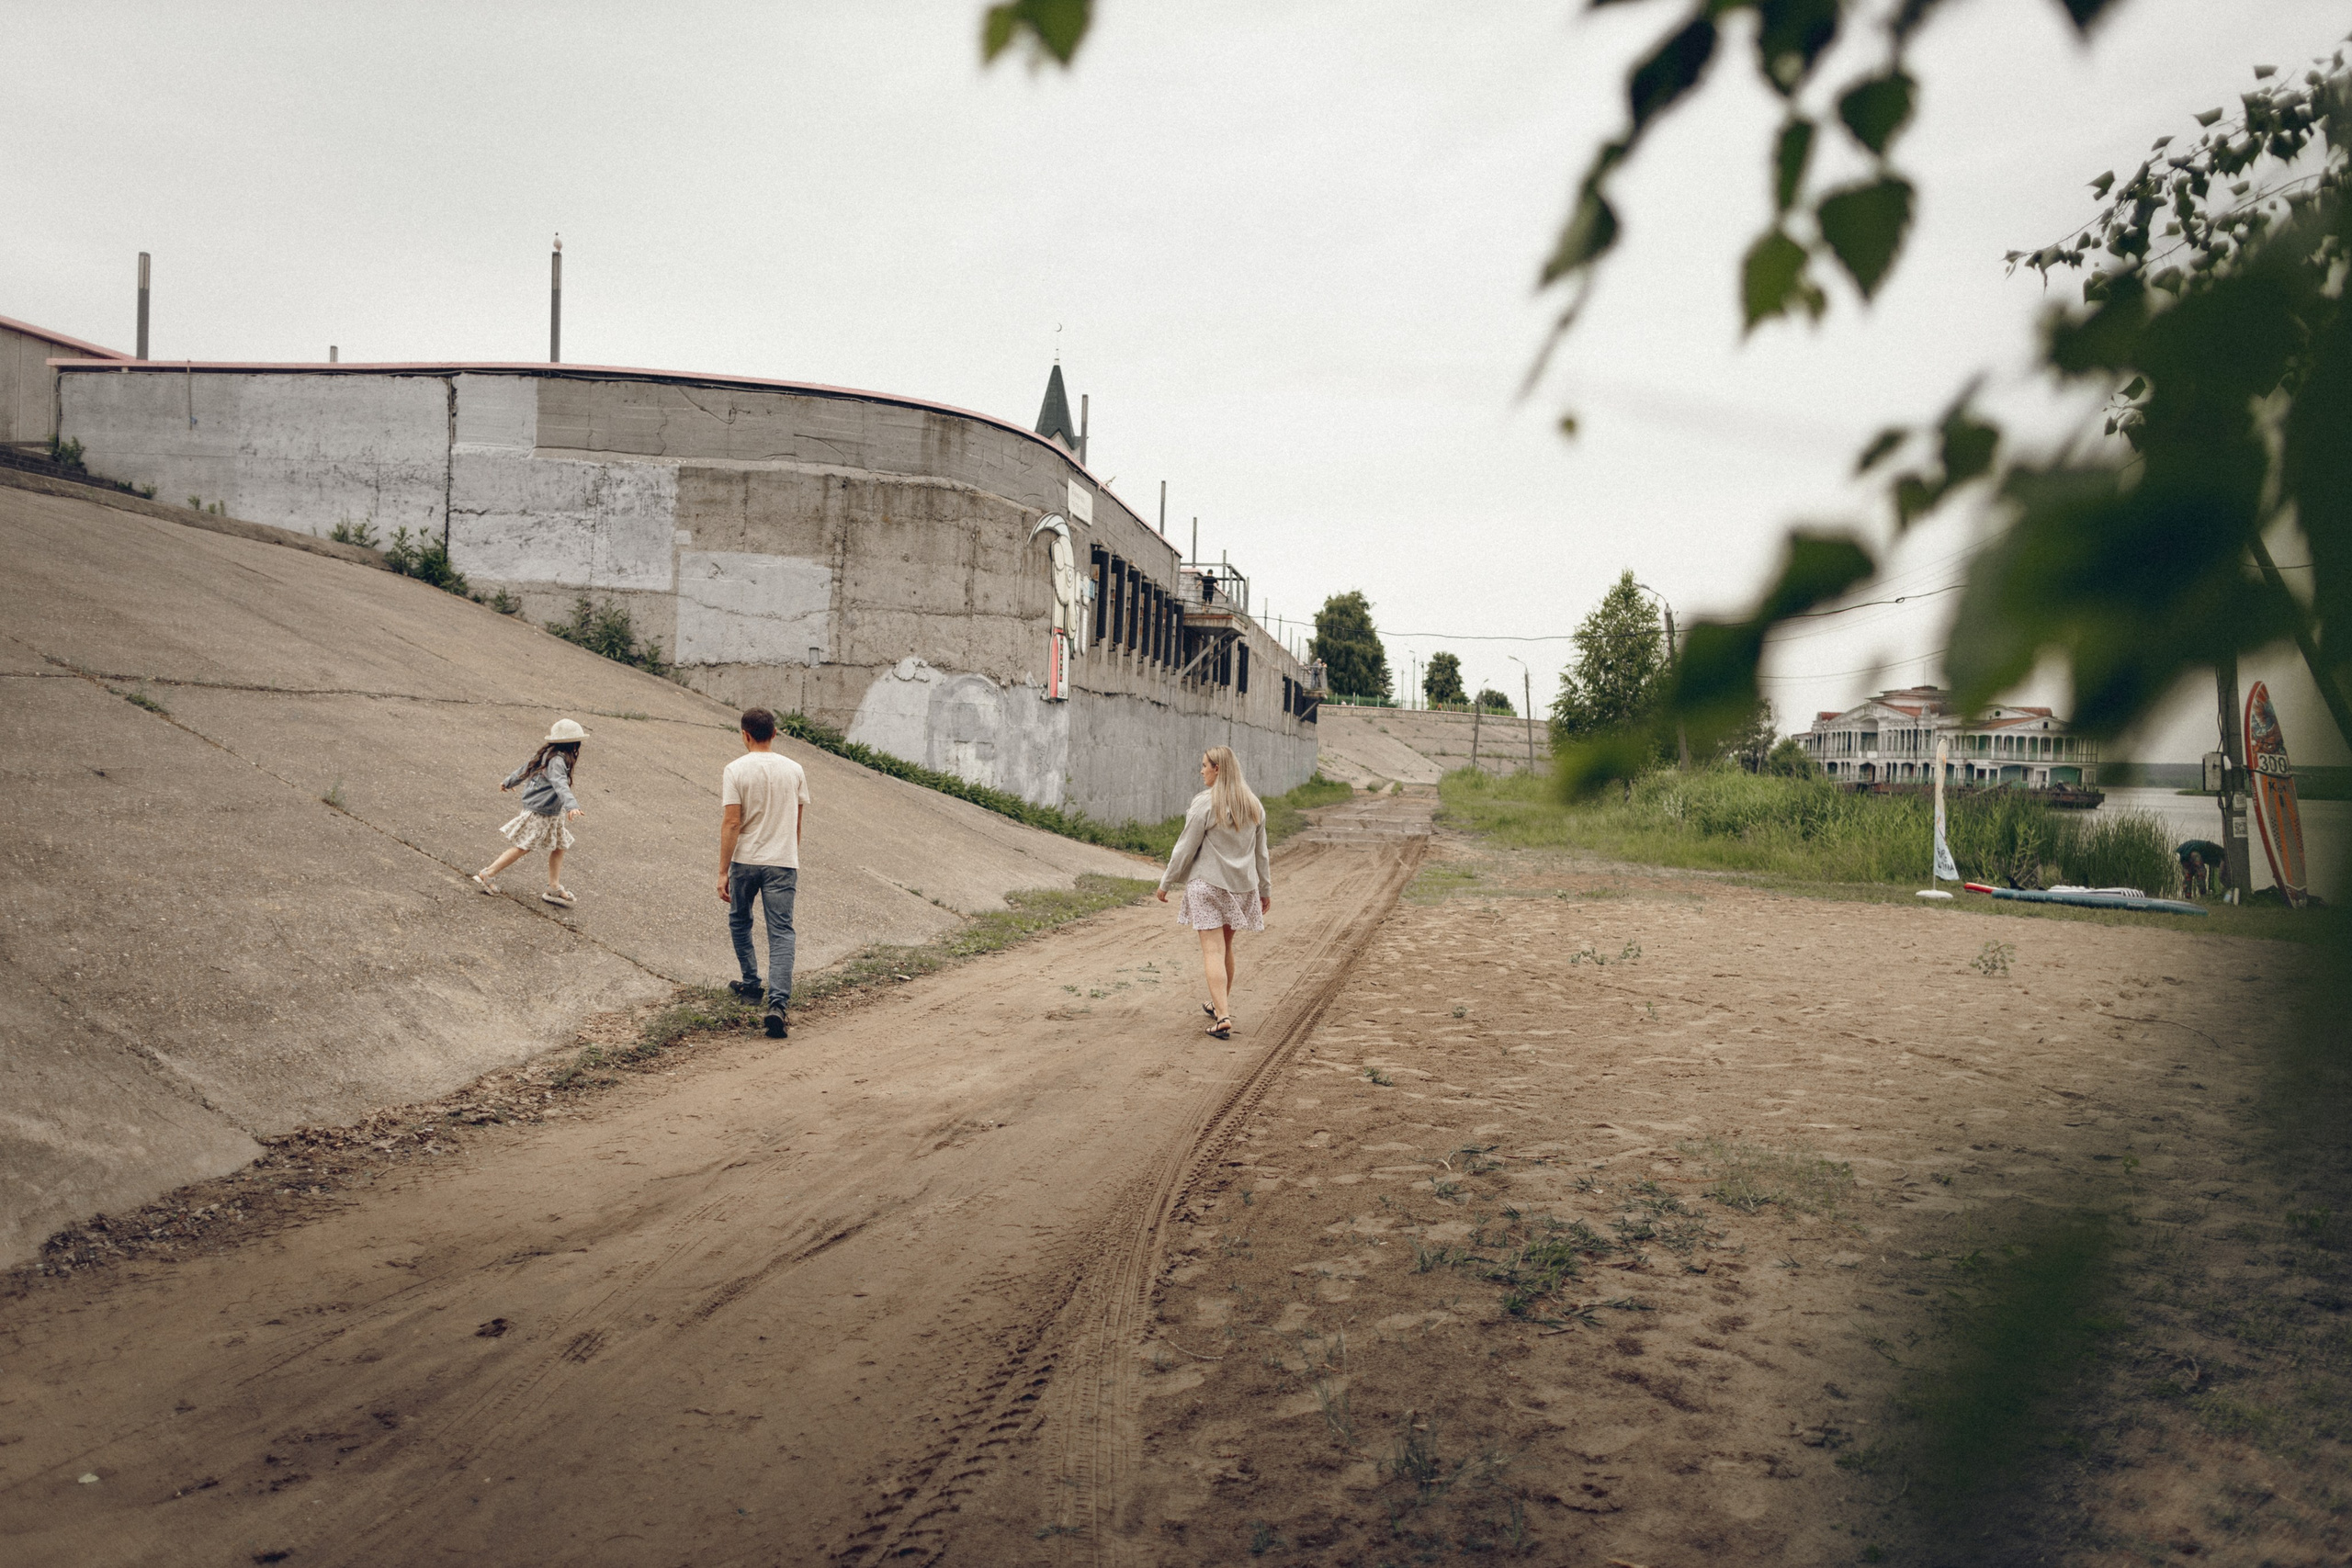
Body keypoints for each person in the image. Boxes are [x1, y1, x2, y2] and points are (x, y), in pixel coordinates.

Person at [1155, 745, 1272, 1040]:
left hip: (1207, 885)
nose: (1201, 770)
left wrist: (1166, 882)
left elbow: (1185, 847)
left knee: (1212, 950)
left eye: (1205, 765)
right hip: (1242, 888)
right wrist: (1265, 889)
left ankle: (1222, 1015)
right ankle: (1220, 1006)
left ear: (1217, 769)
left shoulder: (1205, 804)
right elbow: (1262, 854)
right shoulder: (1254, 805)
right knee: (1226, 949)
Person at [719, 707, 811, 1039]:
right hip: (783, 862)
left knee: (740, 920)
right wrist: (789, 854)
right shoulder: (795, 769)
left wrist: (722, 871)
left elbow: (731, 822)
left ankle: (751, 984)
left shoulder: (735, 769)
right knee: (782, 932)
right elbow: (797, 823)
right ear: (774, 733)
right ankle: (778, 1005)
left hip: (745, 860)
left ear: (744, 735)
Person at [473, 718, 589, 906]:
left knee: (560, 845)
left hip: (551, 811)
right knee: (524, 845)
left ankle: (553, 887)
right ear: (573, 743)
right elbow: (560, 783)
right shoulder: (557, 760)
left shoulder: (549, 753)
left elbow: (526, 767)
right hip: (542, 811)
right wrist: (572, 805)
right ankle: (488, 874)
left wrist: (508, 782)